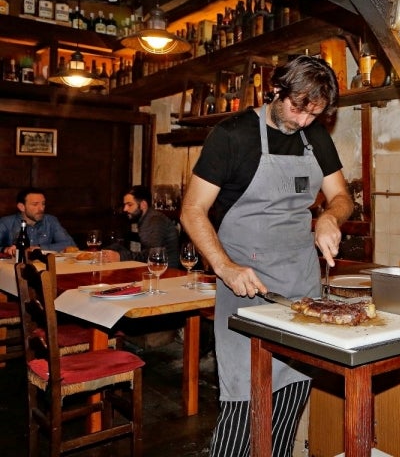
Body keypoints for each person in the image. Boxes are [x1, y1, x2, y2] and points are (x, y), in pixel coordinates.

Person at [180, 55, 353, 456]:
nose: (304, 121)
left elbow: (343, 196)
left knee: (292, 393)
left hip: (301, 286)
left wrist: (330, 216)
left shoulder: (316, 137)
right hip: (246, 285)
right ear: (277, 91)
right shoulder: (232, 135)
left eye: (316, 113)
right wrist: (224, 267)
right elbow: (192, 210)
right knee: (246, 398)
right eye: (298, 108)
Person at [103, 185, 181, 269]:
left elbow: (152, 255)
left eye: (129, 205)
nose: (125, 209)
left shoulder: (155, 220)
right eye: (125, 205)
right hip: (156, 270)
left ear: (143, 205)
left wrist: (121, 257)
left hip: (167, 273)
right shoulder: (147, 219)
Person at [0, 187, 76, 257]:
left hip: (45, 266)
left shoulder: (51, 221)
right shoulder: (6, 223)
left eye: (43, 204)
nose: (41, 208)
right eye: (35, 204)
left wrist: (39, 248)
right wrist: (5, 249)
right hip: (15, 267)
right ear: (21, 207)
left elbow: (70, 245)